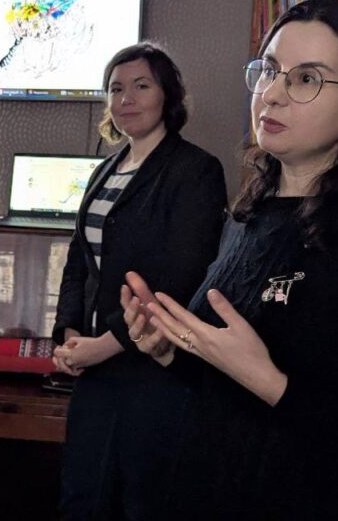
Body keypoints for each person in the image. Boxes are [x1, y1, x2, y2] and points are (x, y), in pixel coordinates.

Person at [121, 0, 338, 519]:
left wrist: (271, 382)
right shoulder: (252, 213)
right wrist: (171, 350)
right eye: (268, 71)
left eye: (306, 79)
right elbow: (225, 383)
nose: (271, 95)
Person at [51, 42, 228, 520]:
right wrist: (70, 333)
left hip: (154, 367)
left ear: (167, 95)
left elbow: (181, 275)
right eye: (115, 89)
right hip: (95, 369)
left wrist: (105, 344)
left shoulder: (196, 170)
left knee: (142, 504)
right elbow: (79, 260)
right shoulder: (104, 171)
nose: (126, 98)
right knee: (82, 500)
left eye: (141, 86)